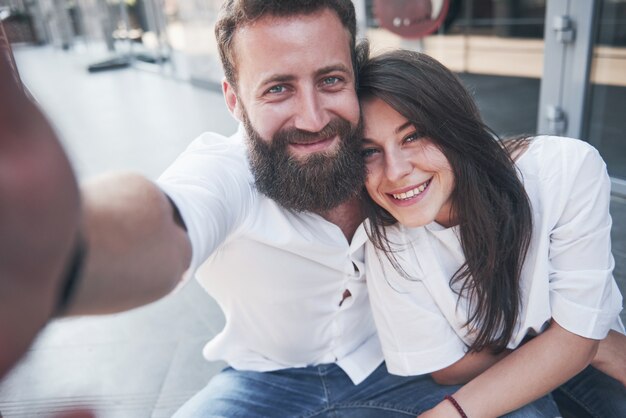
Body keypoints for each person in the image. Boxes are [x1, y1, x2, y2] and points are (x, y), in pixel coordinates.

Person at [56, 1, 484, 416]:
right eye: (278, 89)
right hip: (265, 381)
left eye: (331, 80)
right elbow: (164, 222)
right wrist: (46, 247)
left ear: (355, 77)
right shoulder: (222, 172)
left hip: (402, 364)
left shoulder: (398, 158)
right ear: (234, 101)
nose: (313, 119)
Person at [357, 49, 626, 418]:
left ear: (455, 128)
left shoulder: (563, 172)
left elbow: (580, 343)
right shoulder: (386, 236)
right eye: (369, 151)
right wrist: (562, 336)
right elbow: (447, 368)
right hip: (576, 354)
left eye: (412, 136)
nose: (395, 171)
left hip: (592, 363)